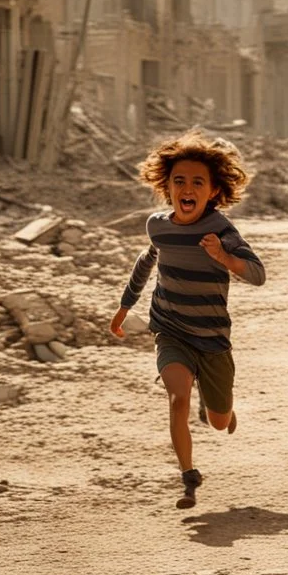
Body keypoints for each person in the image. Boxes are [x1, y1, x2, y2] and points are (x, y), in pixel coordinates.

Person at [109, 130, 266, 509]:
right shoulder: (157, 225)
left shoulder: (221, 230)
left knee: (217, 420)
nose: (187, 188)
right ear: (167, 186)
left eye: (198, 182)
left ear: (213, 191)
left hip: (212, 339)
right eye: (179, 181)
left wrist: (224, 258)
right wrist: (125, 306)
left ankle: (219, 408)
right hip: (171, 329)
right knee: (177, 398)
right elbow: (148, 260)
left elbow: (258, 274)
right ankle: (188, 475)